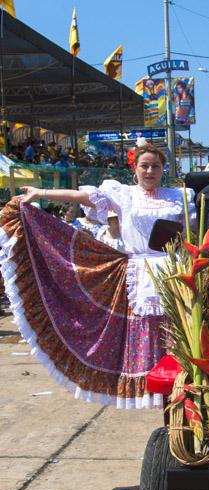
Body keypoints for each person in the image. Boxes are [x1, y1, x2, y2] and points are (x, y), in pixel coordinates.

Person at [0, 145, 195, 408]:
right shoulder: (124, 194)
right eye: (144, 166)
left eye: (156, 166)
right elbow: (82, 197)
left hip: (174, 273)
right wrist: (41, 193)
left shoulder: (179, 196)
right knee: (146, 332)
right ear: (134, 169)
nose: (150, 171)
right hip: (140, 273)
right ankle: (154, 388)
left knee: (178, 333)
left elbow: (192, 233)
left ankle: (182, 386)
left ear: (164, 169)